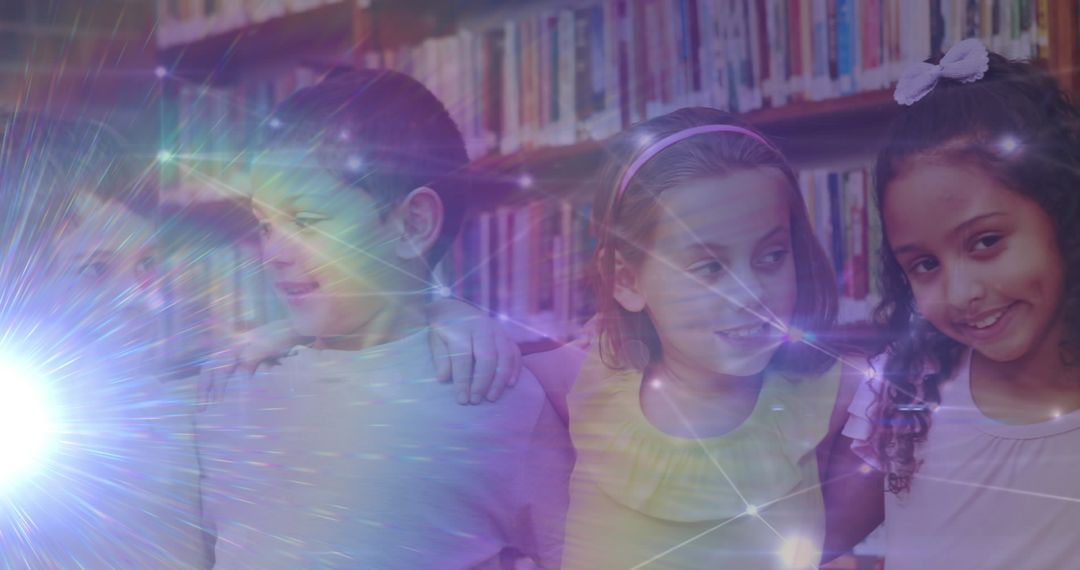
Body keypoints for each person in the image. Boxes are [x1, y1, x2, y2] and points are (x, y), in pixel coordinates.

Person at [197, 68, 572, 569]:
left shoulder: (497, 398)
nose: (272, 253)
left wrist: (449, 311)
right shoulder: (233, 386)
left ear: (412, 224)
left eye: (304, 221)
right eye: (264, 225)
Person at [839, 39, 1080, 568]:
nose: (960, 292)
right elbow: (814, 534)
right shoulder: (905, 392)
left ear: (1063, 214)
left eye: (985, 242)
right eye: (925, 264)